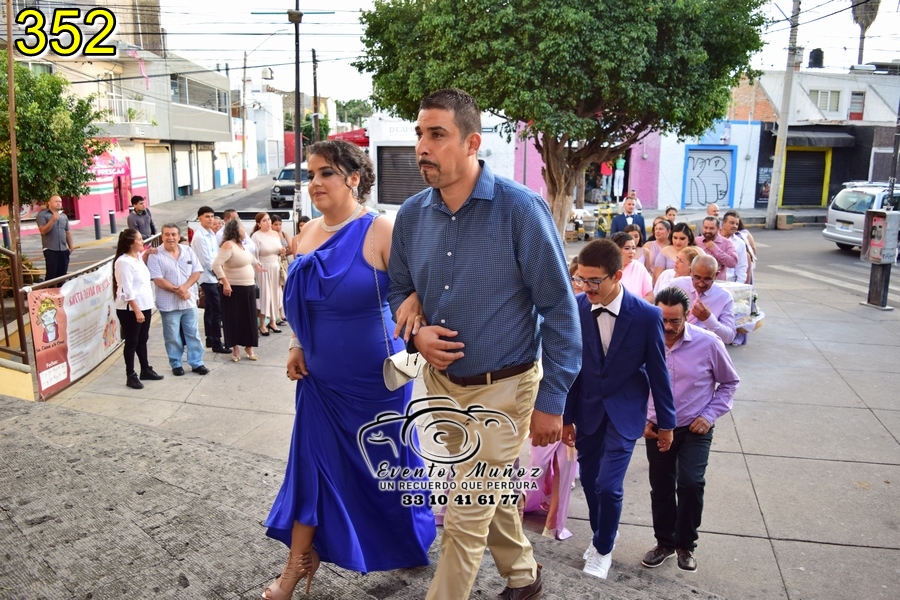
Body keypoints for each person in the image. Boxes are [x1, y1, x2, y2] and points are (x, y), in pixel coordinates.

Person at [388, 89, 581, 600]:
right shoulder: (411, 215)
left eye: (437, 134)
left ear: (472, 143)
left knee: (464, 515)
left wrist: (552, 400)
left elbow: (560, 310)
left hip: (506, 390)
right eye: (419, 134)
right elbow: (398, 288)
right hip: (441, 387)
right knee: (481, 492)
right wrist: (416, 330)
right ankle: (524, 576)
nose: (422, 147)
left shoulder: (521, 210)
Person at [263, 139, 435, 599]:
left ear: (353, 178)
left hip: (377, 382)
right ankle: (297, 564)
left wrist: (417, 309)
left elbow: (419, 290)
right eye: (311, 174)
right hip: (319, 380)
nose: (314, 183)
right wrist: (297, 343)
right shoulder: (305, 233)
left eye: (326, 173)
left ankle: (407, 538)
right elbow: (301, 303)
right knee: (312, 469)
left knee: (384, 466)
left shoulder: (380, 229)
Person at [563, 238, 676, 581]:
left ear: (617, 275)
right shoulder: (575, 308)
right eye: (581, 279)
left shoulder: (646, 315)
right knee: (591, 482)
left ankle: (603, 548)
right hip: (587, 411)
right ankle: (602, 533)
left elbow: (658, 371)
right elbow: (569, 368)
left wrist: (667, 423)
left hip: (626, 412)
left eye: (594, 281)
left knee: (609, 486)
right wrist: (565, 418)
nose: (586, 288)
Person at [641, 286, 739, 573]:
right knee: (661, 486)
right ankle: (664, 544)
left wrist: (709, 416)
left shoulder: (708, 343)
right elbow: (631, 385)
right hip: (657, 427)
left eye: (675, 320)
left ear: (687, 317)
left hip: (695, 427)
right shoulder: (644, 343)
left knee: (691, 483)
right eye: (662, 320)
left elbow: (730, 383)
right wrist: (642, 418)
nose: (668, 327)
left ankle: (686, 545)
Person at [147, 223, 209, 377]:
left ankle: (197, 363)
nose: (170, 238)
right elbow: (158, 279)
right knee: (172, 336)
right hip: (168, 304)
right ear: (162, 236)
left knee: (193, 333)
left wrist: (185, 288)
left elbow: (197, 272)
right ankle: (176, 364)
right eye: (167, 234)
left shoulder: (187, 251)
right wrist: (179, 291)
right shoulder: (155, 255)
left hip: (189, 302)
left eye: (173, 234)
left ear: (178, 236)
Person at [113, 228, 164, 390]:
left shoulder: (137, 258)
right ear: (130, 242)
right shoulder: (123, 262)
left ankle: (145, 369)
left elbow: (140, 269)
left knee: (143, 339)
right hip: (131, 308)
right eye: (140, 239)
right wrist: (136, 310)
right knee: (132, 341)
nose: (143, 242)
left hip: (145, 304)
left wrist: (146, 253)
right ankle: (131, 374)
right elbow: (126, 289)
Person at [212, 219, 260, 362]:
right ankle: (235, 348)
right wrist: (225, 282)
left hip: (248, 286)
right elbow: (216, 265)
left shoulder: (241, 245)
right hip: (234, 288)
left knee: (249, 318)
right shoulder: (228, 245)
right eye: (242, 228)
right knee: (234, 318)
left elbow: (248, 259)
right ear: (235, 230)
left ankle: (249, 347)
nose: (244, 230)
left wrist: (257, 264)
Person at [671, 255, 737, 345]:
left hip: (704, 346)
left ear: (716, 275)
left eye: (707, 279)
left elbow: (729, 337)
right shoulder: (675, 286)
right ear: (690, 272)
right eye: (697, 278)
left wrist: (709, 319)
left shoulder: (724, 297)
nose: (701, 284)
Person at [191, 206, 230, 354]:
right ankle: (216, 343)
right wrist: (220, 275)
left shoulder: (211, 234)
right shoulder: (200, 237)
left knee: (210, 309)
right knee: (216, 310)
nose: (210, 219)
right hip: (207, 277)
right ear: (199, 218)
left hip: (213, 275)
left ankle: (210, 338)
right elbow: (206, 261)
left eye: (212, 216)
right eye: (207, 216)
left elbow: (216, 256)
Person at [250, 212, 285, 335]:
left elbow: (278, 250)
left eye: (268, 219)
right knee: (265, 295)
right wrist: (257, 266)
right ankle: (262, 323)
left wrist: (281, 250)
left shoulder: (275, 234)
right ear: (259, 224)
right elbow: (252, 254)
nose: (268, 222)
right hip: (263, 267)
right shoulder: (256, 236)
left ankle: (273, 321)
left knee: (275, 294)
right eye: (264, 220)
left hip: (275, 266)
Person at [36, 195, 73, 281]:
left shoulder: (63, 216)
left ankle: (60, 289)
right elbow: (43, 231)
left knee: (62, 276)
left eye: (60, 202)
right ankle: (49, 290)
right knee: (51, 275)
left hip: (63, 249)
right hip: (51, 249)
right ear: (49, 203)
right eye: (56, 201)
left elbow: (67, 232)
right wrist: (52, 220)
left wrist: (71, 247)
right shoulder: (42, 215)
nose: (58, 203)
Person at [610, 232, 653, 303]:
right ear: (615, 249)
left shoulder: (639, 268)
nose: (632, 252)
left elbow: (651, 297)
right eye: (627, 248)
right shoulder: (605, 268)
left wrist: (633, 305)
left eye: (633, 248)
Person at [270, 214, 291, 326]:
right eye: (275, 224)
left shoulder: (284, 234)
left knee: (284, 288)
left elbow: (291, 248)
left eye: (280, 224)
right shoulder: (271, 236)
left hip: (284, 262)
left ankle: (283, 313)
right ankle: (277, 314)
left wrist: (284, 252)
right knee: (276, 288)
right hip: (275, 262)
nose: (278, 227)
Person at [720, 211, 748, 283]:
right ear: (723, 223)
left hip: (730, 281)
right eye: (732, 223)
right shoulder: (712, 238)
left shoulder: (740, 243)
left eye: (737, 224)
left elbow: (742, 266)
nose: (734, 226)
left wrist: (739, 284)